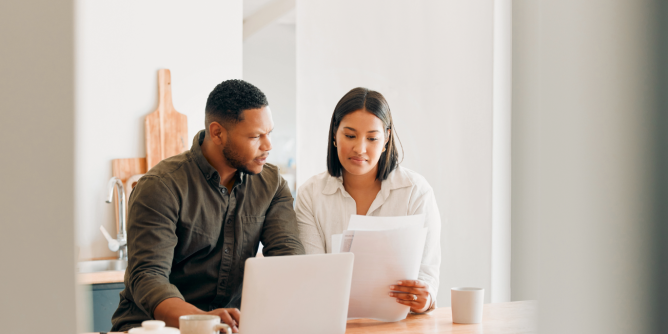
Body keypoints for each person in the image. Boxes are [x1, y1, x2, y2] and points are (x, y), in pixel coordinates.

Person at [111, 80, 305, 332]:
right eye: (256, 136)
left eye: (269, 133)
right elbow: (149, 277)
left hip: (227, 328)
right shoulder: (161, 186)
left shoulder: (272, 184)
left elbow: (288, 259)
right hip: (156, 328)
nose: (268, 146)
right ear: (217, 133)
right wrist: (206, 321)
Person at [296, 87, 441, 313]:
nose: (360, 148)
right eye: (350, 136)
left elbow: (427, 277)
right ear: (335, 134)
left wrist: (426, 298)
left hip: (398, 324)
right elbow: (313, 275)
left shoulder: (415, 192)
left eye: (372, 138)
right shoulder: (310, 195)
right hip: (332, 321)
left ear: (386, 139)